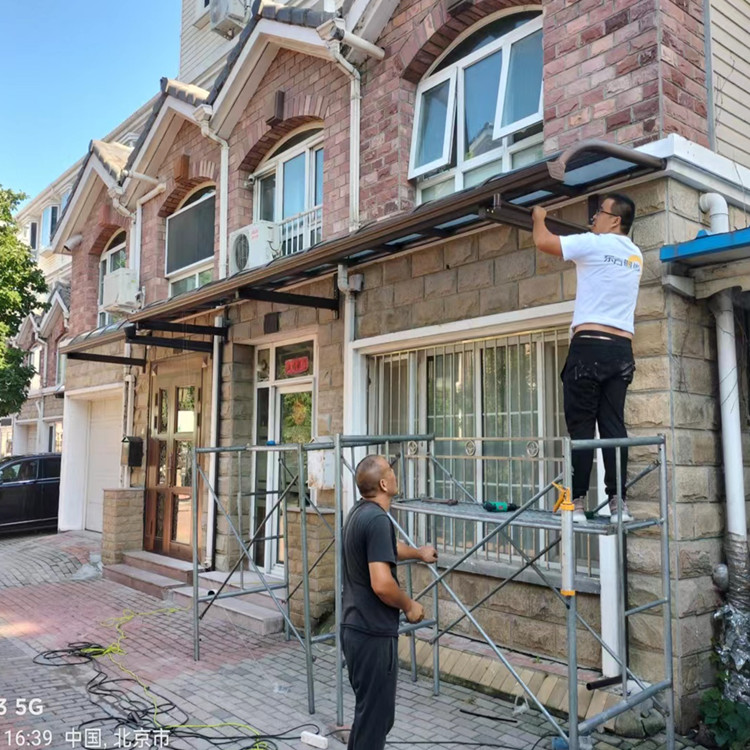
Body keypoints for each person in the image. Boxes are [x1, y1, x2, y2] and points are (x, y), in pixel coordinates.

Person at [531, 194, 641, 524]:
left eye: (599, 213)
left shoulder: (594, 244)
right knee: (612, 427)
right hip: (621, 352)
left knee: (581, 428)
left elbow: (544, 241)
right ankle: (617, 502)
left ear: (615, 221)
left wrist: (539, 216)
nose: (593, 218)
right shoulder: (636, 255)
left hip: (589, 348)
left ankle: (576, 503)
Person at [341, 454, 438, 750]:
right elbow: (382, 584)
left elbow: (386, 548)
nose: (395, 473)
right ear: (384, 483)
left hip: (355, 629)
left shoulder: (360, 513)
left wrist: (418, 553)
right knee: (376, 723)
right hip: (372, 635)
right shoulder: (377, 519)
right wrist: (409, 605)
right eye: (391, 470)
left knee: (369, 718)